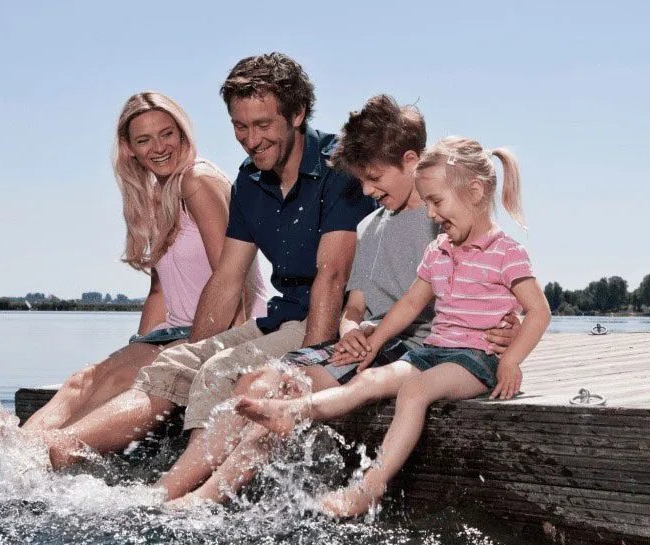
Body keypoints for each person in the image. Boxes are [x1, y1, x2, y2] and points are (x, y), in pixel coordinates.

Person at [18, 52, 374, 475]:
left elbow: (332, 277)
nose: (250, 139)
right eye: (240, 127)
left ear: (297, 114)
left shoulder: (339, 165)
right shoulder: (250, 177)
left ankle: (146, 477)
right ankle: (39, 452)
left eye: (263, 125)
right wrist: (195, 351)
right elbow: (226, 279)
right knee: (173, 365)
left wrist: (311, 366)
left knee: (215, 370)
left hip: (334, 323)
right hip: (283, 318)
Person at [164, 96, 517, 507]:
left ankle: (209, 497)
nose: (366, 190)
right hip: (370, 346)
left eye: (373, 177)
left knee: (282, 390)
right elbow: (355, 305)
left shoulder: (442, 220)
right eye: (360, 180)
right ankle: (214, 489)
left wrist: (507, 324)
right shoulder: (369, 225)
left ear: (409, 162)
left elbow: (491, 281)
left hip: (415, 351)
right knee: (256, 383)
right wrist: (350, 331)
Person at [236, 136, 552, 517]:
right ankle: (295, 411)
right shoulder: (438, 251)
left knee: (415, 390)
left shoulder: (507, 253)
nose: (432, 214)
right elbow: (409, 305)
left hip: (475, 359)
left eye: (437, 202)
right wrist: (375, 342)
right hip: (433, 351)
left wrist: (512, 360)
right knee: (367, 380)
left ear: (475, 191)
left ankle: (369, 488)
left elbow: (539, 312)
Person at [0, 91, 267, 444]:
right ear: (130, 149)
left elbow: (231, 278)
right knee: (86, 378)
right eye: (144, 139)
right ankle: (13, 452)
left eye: (167, 133)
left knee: (118, 381)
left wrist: (203, 353)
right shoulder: (157, 196)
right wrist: (135, 348)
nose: (158, 147)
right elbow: (159, 291)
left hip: (219, 330)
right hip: (174, 332)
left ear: (183, 133)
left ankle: (29, 455)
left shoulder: (196, 181)